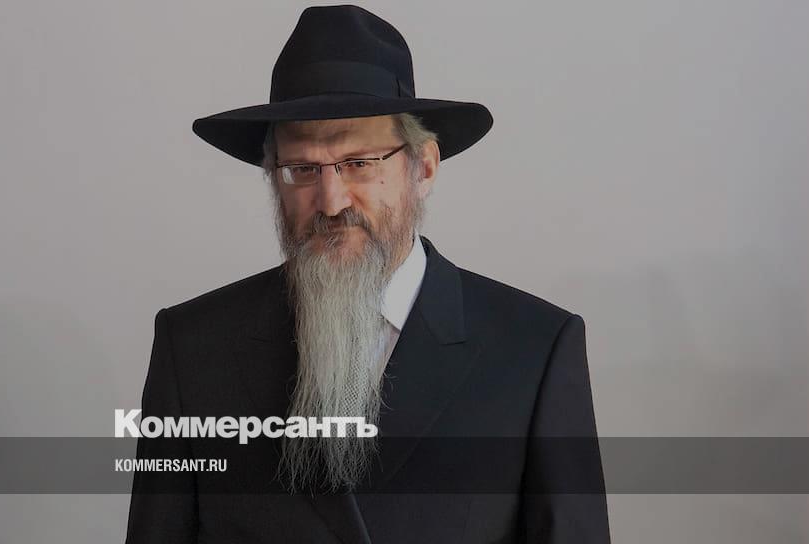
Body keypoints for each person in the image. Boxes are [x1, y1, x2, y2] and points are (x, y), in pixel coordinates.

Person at [125, 5, 609, 543]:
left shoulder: (533, 350)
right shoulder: (195, 348)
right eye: (302, 169)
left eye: (359, 163)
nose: (331, 201)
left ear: (423, 167)